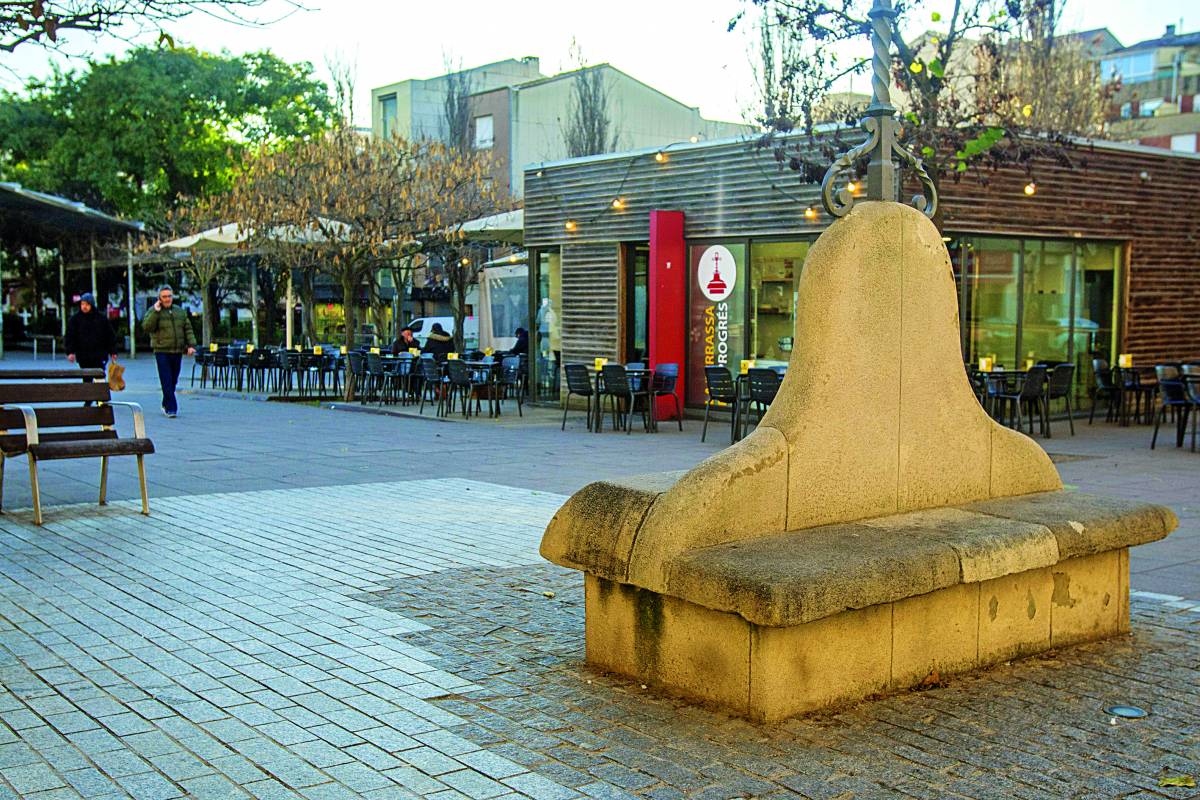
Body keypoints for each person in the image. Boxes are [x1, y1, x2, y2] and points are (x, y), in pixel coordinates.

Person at [142, 285, 196, 418]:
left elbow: (187, 329)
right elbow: (147, 327)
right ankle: (171, 408)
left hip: (177, 350)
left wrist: (191, 345)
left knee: (173, 380)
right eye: (164, 297)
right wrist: (155, 312)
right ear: (159, 298)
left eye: (169, 296)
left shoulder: (179, 312)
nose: (167, 299)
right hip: (161, 351)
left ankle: (166, 402)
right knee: (166, 379)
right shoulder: (153, 311)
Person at [64, 293, 117, 374]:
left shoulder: (101, 319)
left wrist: (113, 351)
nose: (84, 307)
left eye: (87, 304)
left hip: (99, 355)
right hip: (83, 355)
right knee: (86, 377)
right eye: (82, 304)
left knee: (99, 376)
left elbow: (110, 336)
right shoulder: (75, 320)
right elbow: (70, 336)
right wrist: (70, 352)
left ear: (91, 305)